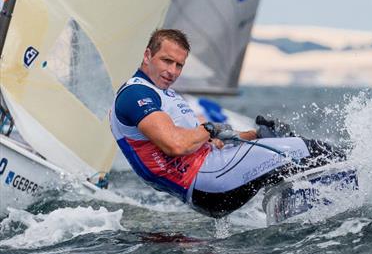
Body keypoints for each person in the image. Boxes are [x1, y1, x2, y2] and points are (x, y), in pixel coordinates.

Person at [110, 28, 344, 217]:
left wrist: (255, 135)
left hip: (210, 180)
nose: (172, 71)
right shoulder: (136, 94)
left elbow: (207, 143)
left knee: (281, 148)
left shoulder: (163, 93)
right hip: (208, 180)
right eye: (166, 61)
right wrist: (210, 128)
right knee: (311, 149)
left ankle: (300, 209)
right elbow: (176, 145)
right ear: (147, 55)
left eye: (179, 65)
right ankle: (363, 183)